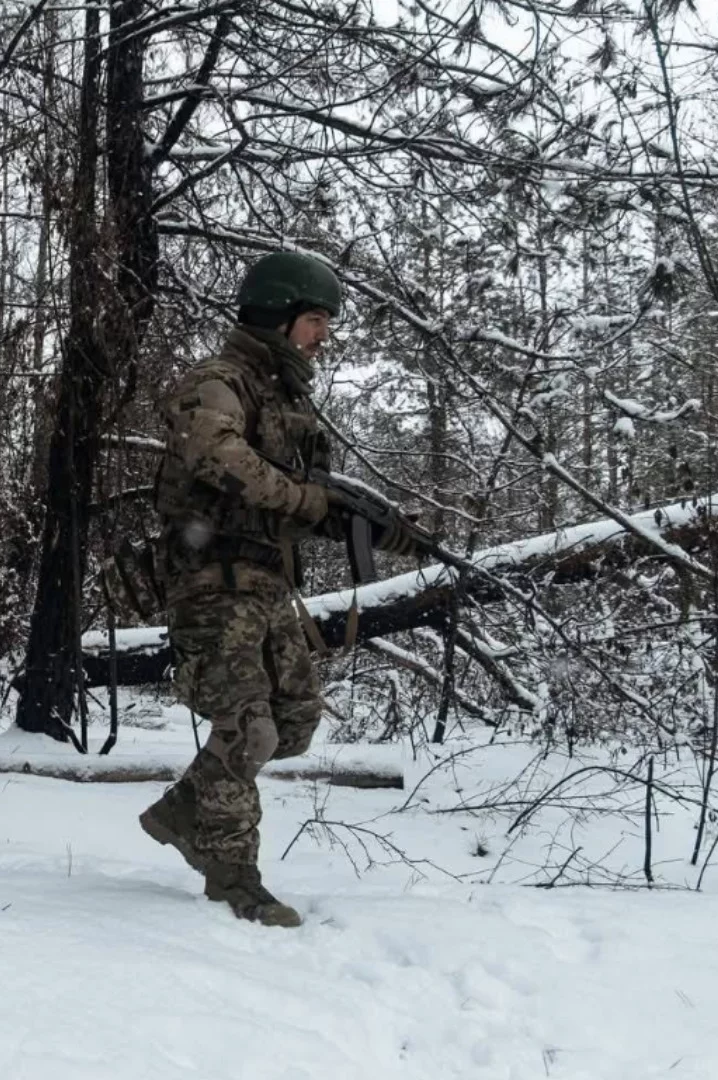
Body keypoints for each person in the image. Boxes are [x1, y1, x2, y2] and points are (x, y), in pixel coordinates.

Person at [137, 251, 413, 927]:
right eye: (314, 319)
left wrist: (373, 528)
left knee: (294, 721)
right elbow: (219, 458)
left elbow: (299, 501)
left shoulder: (288, 402)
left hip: (267, 586)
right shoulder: (217, 382)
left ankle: (181, 811)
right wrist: (310, 503)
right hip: (212, 584)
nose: (323, 335)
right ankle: (233, 876)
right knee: (247, 726)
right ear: (276, 314)